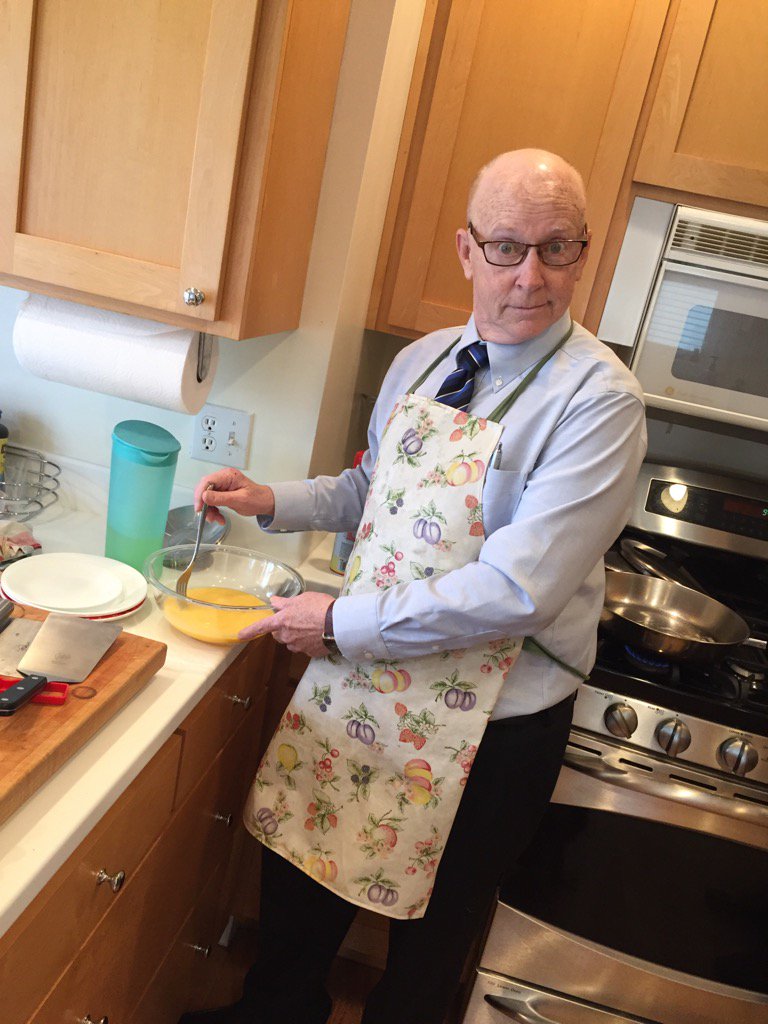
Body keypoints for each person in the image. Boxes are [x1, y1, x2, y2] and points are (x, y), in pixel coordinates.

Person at [180, 149, 646, 1024]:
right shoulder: (426, 361)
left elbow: (517, 592)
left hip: (493, 724)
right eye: (507, 247)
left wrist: (337, 622)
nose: (531, 276)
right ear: (467, 251)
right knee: (299, 897)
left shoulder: (599, 403)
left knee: (425, 960)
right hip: (365, 682)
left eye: (557, 248)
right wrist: (273, 499)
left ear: (586, 253)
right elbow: (372, 490)